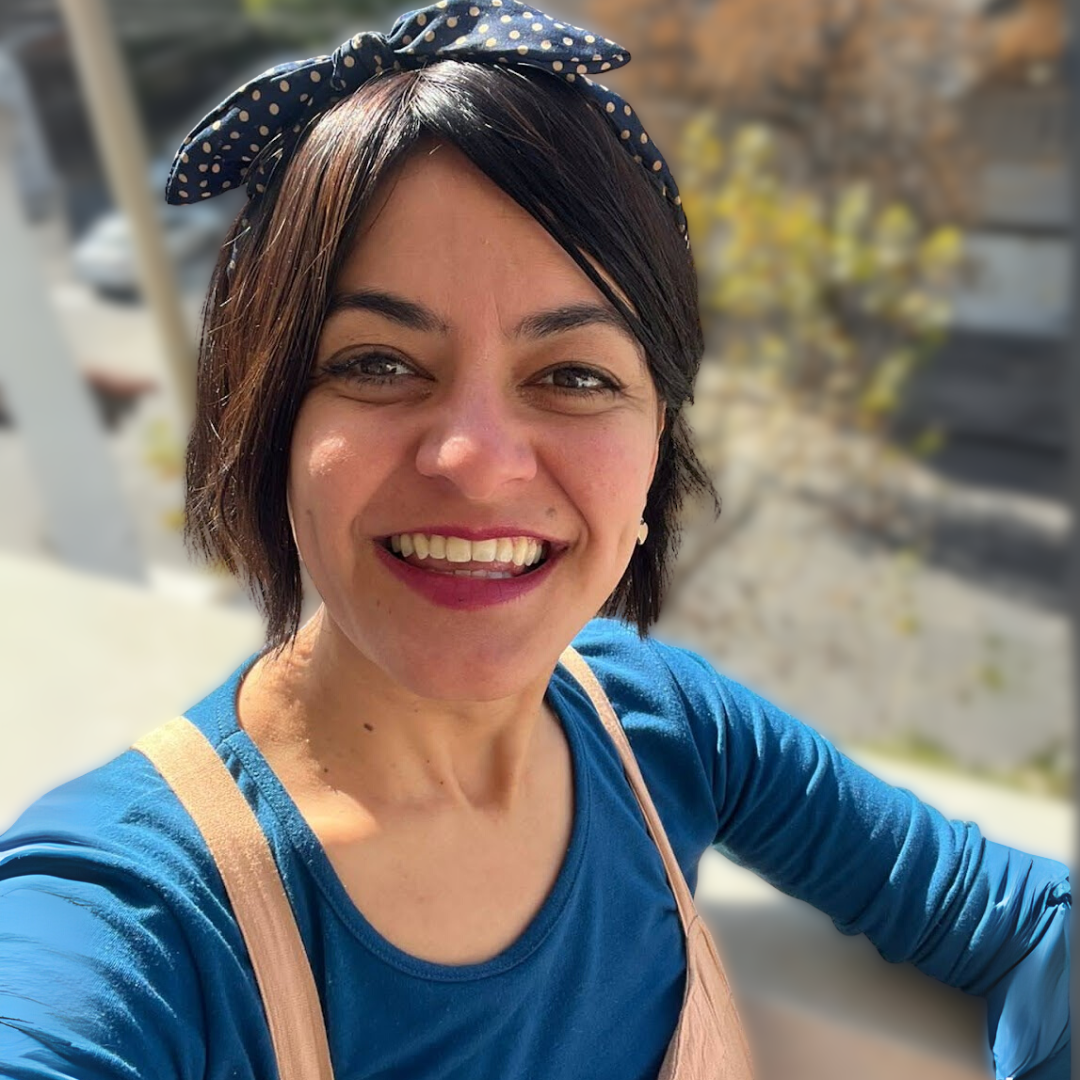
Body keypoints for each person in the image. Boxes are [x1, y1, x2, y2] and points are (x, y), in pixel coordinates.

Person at [0, 3, 1069, 1078]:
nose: (477, 457)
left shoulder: (664, 730)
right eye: (377, 363)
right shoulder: (135, 910)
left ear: (657, 449)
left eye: (573, 376)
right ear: (269, 421)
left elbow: (1030, 923)